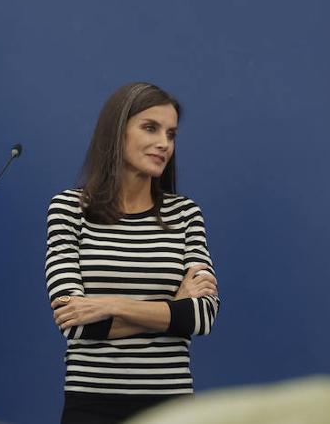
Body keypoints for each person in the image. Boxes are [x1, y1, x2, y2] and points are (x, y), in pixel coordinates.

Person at [45, 82, 218, 424]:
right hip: (91, 402)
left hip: (171, 405)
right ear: (116, 132)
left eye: (171, 134)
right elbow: (76, 326)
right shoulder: (68, 210)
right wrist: (172, 311)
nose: (163, 144)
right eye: (150, 128)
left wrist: (110, 304)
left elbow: (200, 317)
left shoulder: (185, 214)